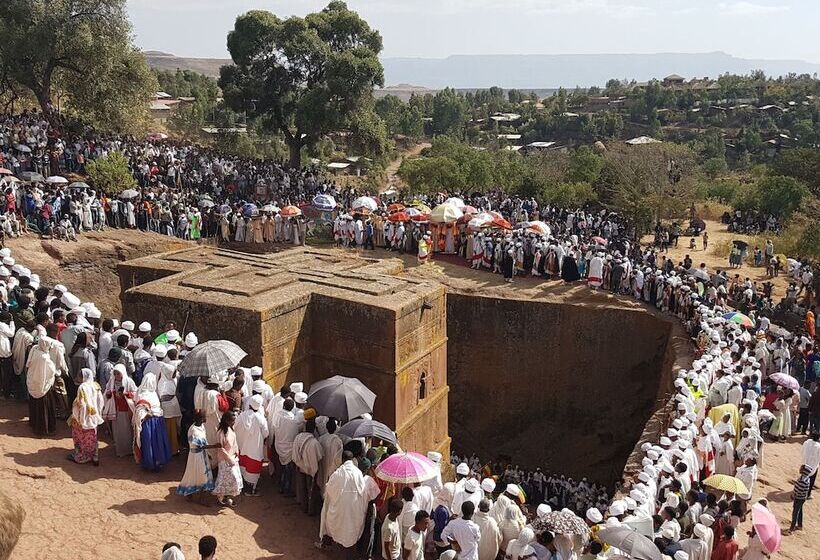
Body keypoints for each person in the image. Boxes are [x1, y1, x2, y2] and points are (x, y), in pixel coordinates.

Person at [318, 452, 381, 550]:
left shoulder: (337, 473)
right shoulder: (358, 474)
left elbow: (329, 490)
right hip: (354, 510)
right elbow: (363, 491)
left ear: (342, 460)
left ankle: (326, 544)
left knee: (331, 519)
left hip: (339, 509)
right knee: (351, 527)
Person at [133, 373, 172, 471]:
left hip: (156, 420)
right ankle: (151, 463)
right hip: (149, 421)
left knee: (153, 442)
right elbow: (139, 408)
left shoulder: (152, 392)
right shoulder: (142, 393)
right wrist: (145, 415)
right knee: (151, 442)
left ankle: (156, 462)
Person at [26, 336, 62, 435]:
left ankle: (34, 424)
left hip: (34, 382)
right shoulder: (44, 358)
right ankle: (44, 429)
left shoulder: (35, 350)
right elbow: (51, 371)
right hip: (43, 385)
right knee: (45, 407)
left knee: (35, 404)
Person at [68, 368, 104, 466]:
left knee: (80, 436)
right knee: (93, 436)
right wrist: (98, 413)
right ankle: (94, 456)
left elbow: (81, 404)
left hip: (82, 417)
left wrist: (79, 417)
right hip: (93, 415)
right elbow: (101, 401)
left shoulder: (82, 387)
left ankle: (82, 456)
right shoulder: (96, 386)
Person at [235, 394, 269, 496]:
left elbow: (235, 427)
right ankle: (252, 490)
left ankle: (243, 487)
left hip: (242, 447)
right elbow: (266, 433)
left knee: (243, 466)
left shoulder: (241, 416)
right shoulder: (260, 418)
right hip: (255, 449)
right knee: (253, 469)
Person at [177, 411, 215, 501]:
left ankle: (191, 494)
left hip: (202, 455)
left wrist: (208, 454)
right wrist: (215, 446)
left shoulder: (201, 427)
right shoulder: (193, 430)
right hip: (196, 456)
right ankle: (201, 498)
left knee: (198, 474)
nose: (206, 418)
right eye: (205, 417)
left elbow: (204, 441)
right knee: (200, 475)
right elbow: (200, 445)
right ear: (201, 419)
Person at [102, 364, 136, 457]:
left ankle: (128, 449)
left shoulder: (129, 381)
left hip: (125, 410)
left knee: (127, 429)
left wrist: (125, 394)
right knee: (117, 430)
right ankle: (119, 449)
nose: (116, 376)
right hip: (115, 409)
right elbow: (106, 394)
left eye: (118, 373)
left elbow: (135, 393)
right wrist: (110, 394)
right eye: (115, 373)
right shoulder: (111, 382)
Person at [212, 410, 243, 507]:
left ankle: (228, 496)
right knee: (225, 479)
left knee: (233, 479)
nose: (233, 423)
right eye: (232, 421)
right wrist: (229, 459)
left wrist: (237, 451)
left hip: (233, 458)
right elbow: (220, 448)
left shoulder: (231, 429)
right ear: (226, 421)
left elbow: (235, 441)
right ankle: (220, 497)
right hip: (225, 460)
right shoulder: (221, 433)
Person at [787, 464, 812, 533]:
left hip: (799, 498)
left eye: (801, 469)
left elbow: (799, 491)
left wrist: (793, 495)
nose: (799, 469)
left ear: (804, 471)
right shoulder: (806, 478)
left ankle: (791, 529)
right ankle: (800, 525)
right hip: (802, 498)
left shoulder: (802, 481)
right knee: (799, 511)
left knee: (795, 513)